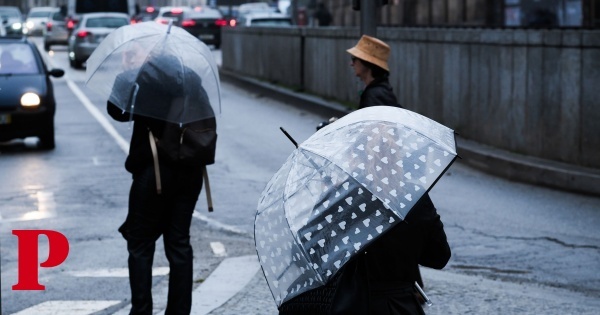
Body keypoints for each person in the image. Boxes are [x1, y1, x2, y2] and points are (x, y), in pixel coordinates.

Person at [282, 35, 451, 315]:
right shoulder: (413, 198)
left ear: (352, 153)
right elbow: (439, 256)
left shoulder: (342, 199)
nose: (351, 63)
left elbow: (304, 253)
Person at [107, 51, 210, 315]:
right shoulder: (194, 84)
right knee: (179, 244)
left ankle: (141, 311)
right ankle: (179, 311)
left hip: (154, 172)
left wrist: (128, 73)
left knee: (140, 243)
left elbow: (116, 111)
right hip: (190, 172)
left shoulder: (146, 85)